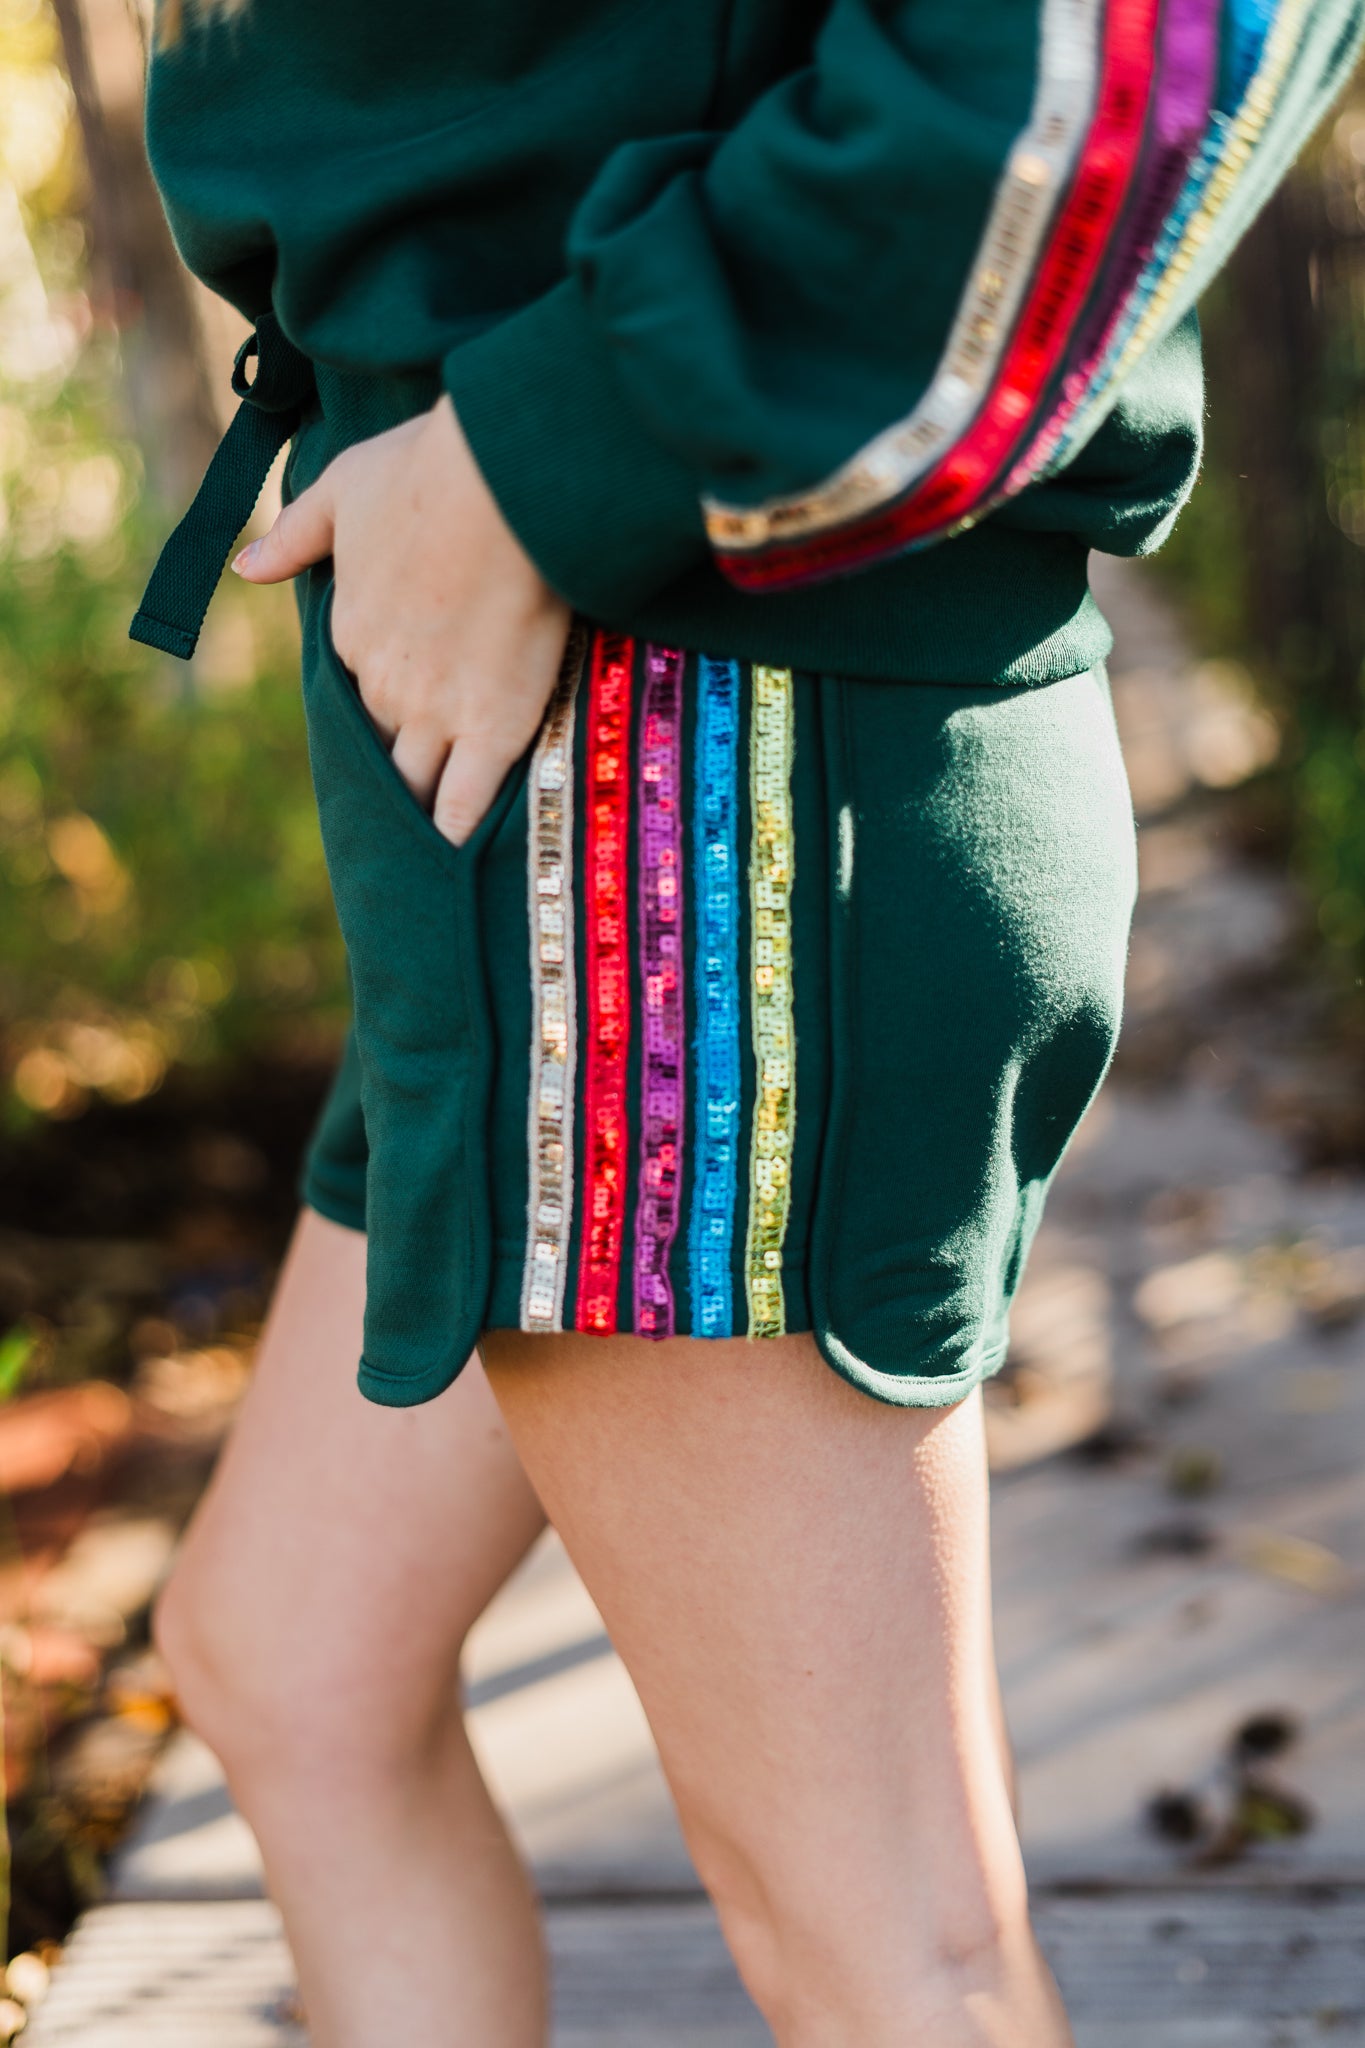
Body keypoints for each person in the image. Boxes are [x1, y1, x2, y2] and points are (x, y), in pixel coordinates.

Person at [137, 0, 1362, 2040]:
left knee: (883, 1940)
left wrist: (562, 447)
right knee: (290, 1655)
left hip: (682, 744)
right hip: (553, 741)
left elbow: (1149, 33)